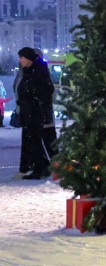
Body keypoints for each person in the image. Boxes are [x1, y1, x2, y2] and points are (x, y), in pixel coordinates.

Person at [16, 47, 57, 180]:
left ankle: (43, 169)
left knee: (41, 141)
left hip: (36, 113)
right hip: (29, 112)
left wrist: (33, 98)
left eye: (22, 58)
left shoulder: (38, 71)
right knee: (33, 142)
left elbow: (46, 90)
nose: (20, 60)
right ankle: (40, 167)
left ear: (28, 59)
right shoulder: (28, 71)